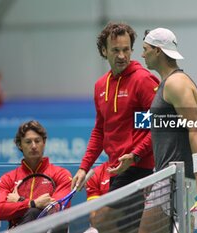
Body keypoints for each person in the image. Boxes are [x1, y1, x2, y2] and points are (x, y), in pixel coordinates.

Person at [71, 22, 159, 232]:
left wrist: (135, 155)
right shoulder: (101, 86)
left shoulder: (143, 80)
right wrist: (84, 168)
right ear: (104, 51)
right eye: (115, 50)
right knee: (127, 228)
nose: (122, 56)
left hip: (139, 168)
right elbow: (100, 130)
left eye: (126, 49)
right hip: (117, 169)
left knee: (102, 221)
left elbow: (158, 124)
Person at [139, 28, 197, 232]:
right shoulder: (168, 83)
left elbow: (196, 128)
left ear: (158, 51)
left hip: (177, 179)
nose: (142, 54)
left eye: (145, 49)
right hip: (168, 176)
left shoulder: (176, 84)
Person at [0, 120, 72, 232]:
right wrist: (32, 203)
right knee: (32, 211)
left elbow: (56, 208)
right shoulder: (8, 178)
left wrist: (20, 200)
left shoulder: (61, 174)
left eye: (37, 141)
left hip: (50, 230)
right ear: (20, 145)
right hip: (17, 228)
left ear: (44, 142)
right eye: (28, 142)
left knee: (34, 212)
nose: (33, 146)